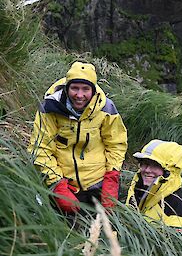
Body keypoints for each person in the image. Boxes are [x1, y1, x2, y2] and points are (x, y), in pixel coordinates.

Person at [28, 61, 128, 214]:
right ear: (67, 88)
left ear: (93, 91)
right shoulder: (49, 108)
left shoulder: (106, 108)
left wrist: (111, 178)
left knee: (105, 233)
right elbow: (40, 149)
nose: (79, 95)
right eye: (74, 88)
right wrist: (58, 185)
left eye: (85, 89)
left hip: (99, 184)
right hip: (66, 186)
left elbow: (116, 143)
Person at [126, 139, 182, 231]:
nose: (147, 170)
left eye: (155, 165)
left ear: (169, 171)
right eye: (144, 164)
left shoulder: (177, 208)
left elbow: (174, 244)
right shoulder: (137, 187)